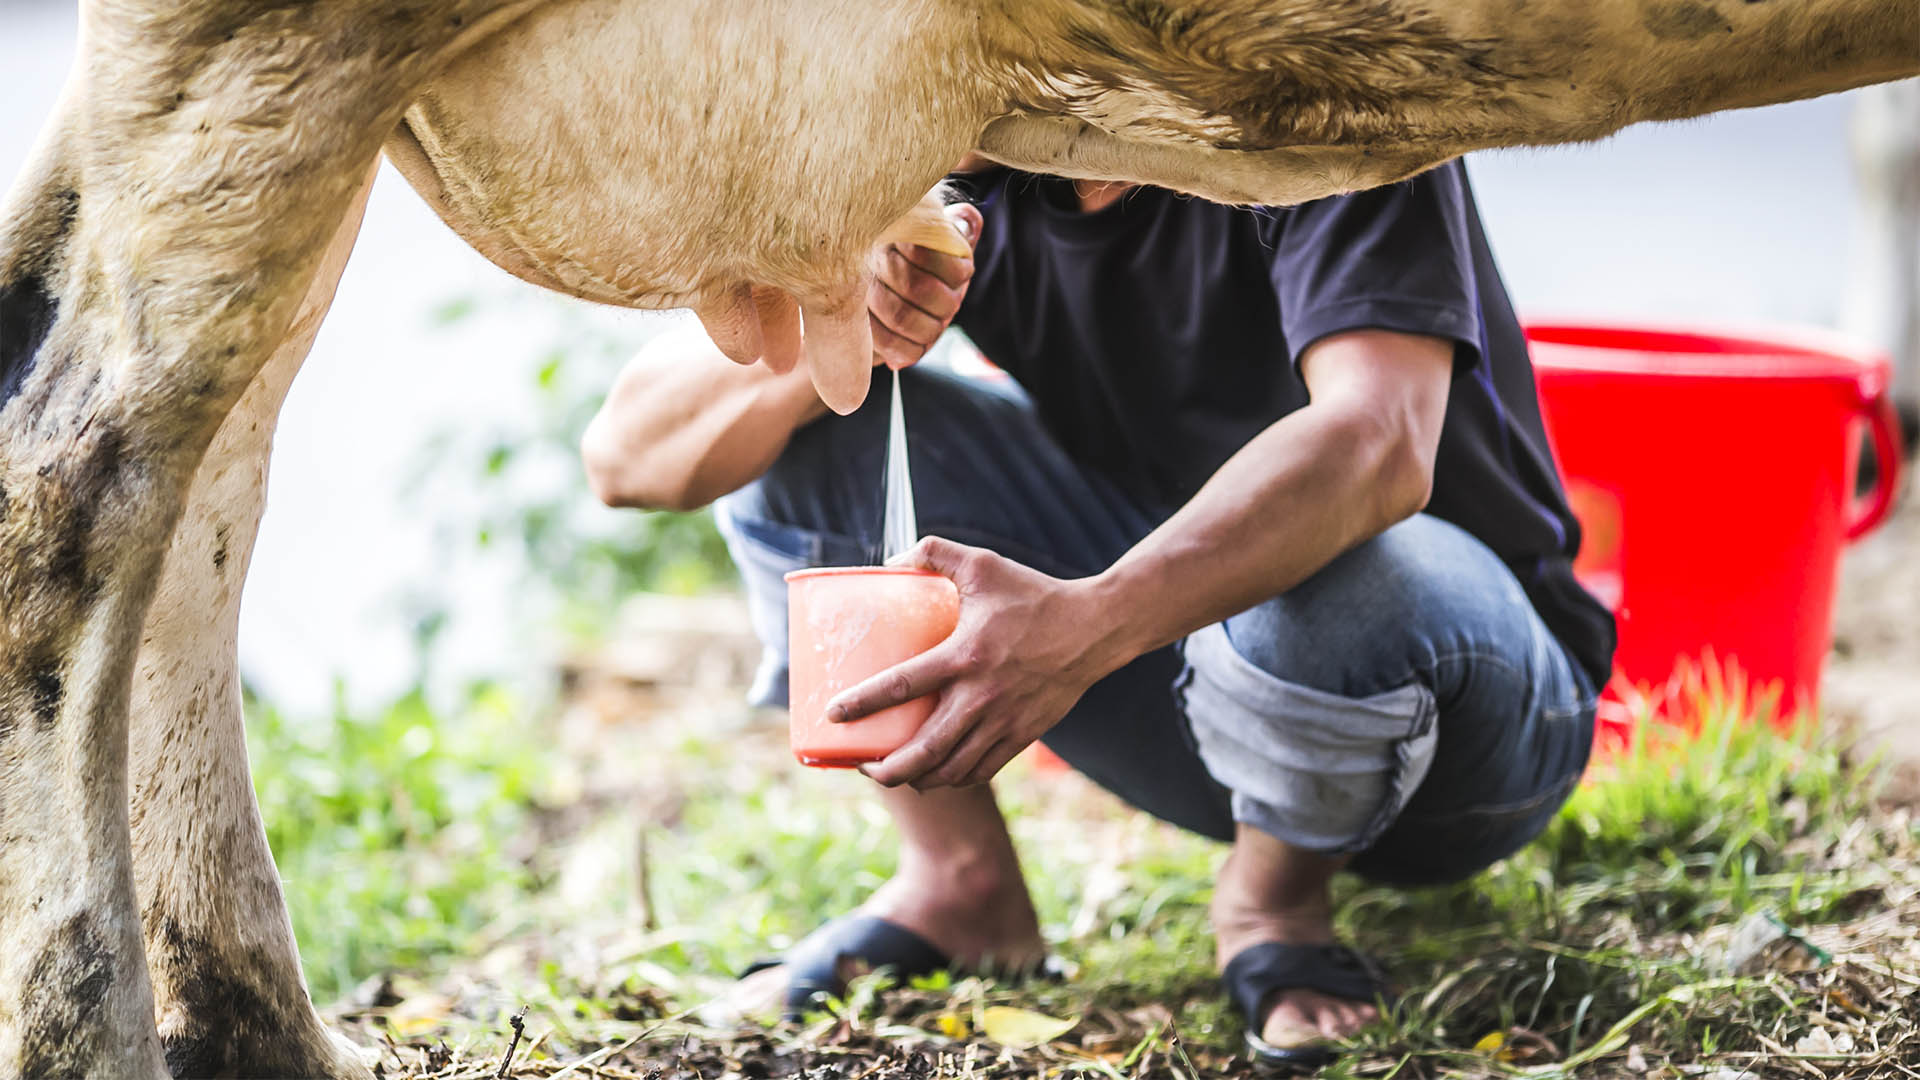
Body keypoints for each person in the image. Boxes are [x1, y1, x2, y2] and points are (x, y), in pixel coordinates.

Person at [581, 158, 1615, 1067]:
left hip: (1467, 719)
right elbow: (627, 456)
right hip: (1198, 681)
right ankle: (961, 883)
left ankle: (1272, 902)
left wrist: (1083, 626)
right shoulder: (977, 159)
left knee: (1354, 571)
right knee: (806, 442)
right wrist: (842, 323)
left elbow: (1379, 444)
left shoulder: (1325, 89)